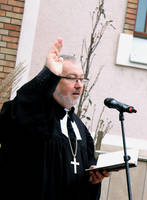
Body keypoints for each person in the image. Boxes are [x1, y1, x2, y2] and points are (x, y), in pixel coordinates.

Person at [0, 38, 109, 200]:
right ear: (54, 81)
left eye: (81, 79)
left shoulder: (80, 128)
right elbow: (15, 118)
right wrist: (47, 74)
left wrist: (93, 180)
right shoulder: (36, 115)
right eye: (72, 78)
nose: (79, 85)